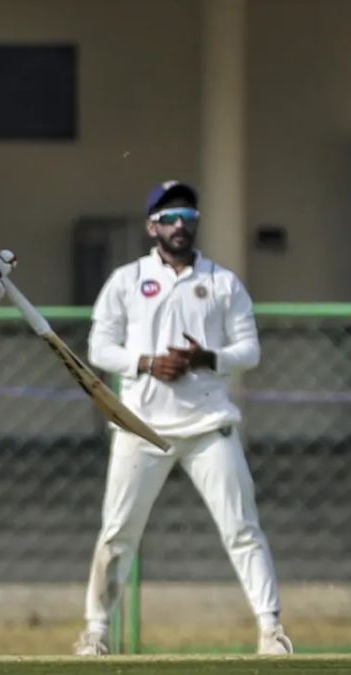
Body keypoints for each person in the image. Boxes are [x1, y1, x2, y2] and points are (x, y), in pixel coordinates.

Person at [73, 180, 293, 656]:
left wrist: (206, 358)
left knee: (242, 528)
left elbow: (249, 350)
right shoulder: (127, 280)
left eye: (188, 218)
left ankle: (271, 629)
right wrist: (148, 363)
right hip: (140, 426)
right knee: (118, 533)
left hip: (208, 425)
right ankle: (96, 632)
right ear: (152, 226)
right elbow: (99, 348)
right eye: (170, 218)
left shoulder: (222, 282)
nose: (180, 226)